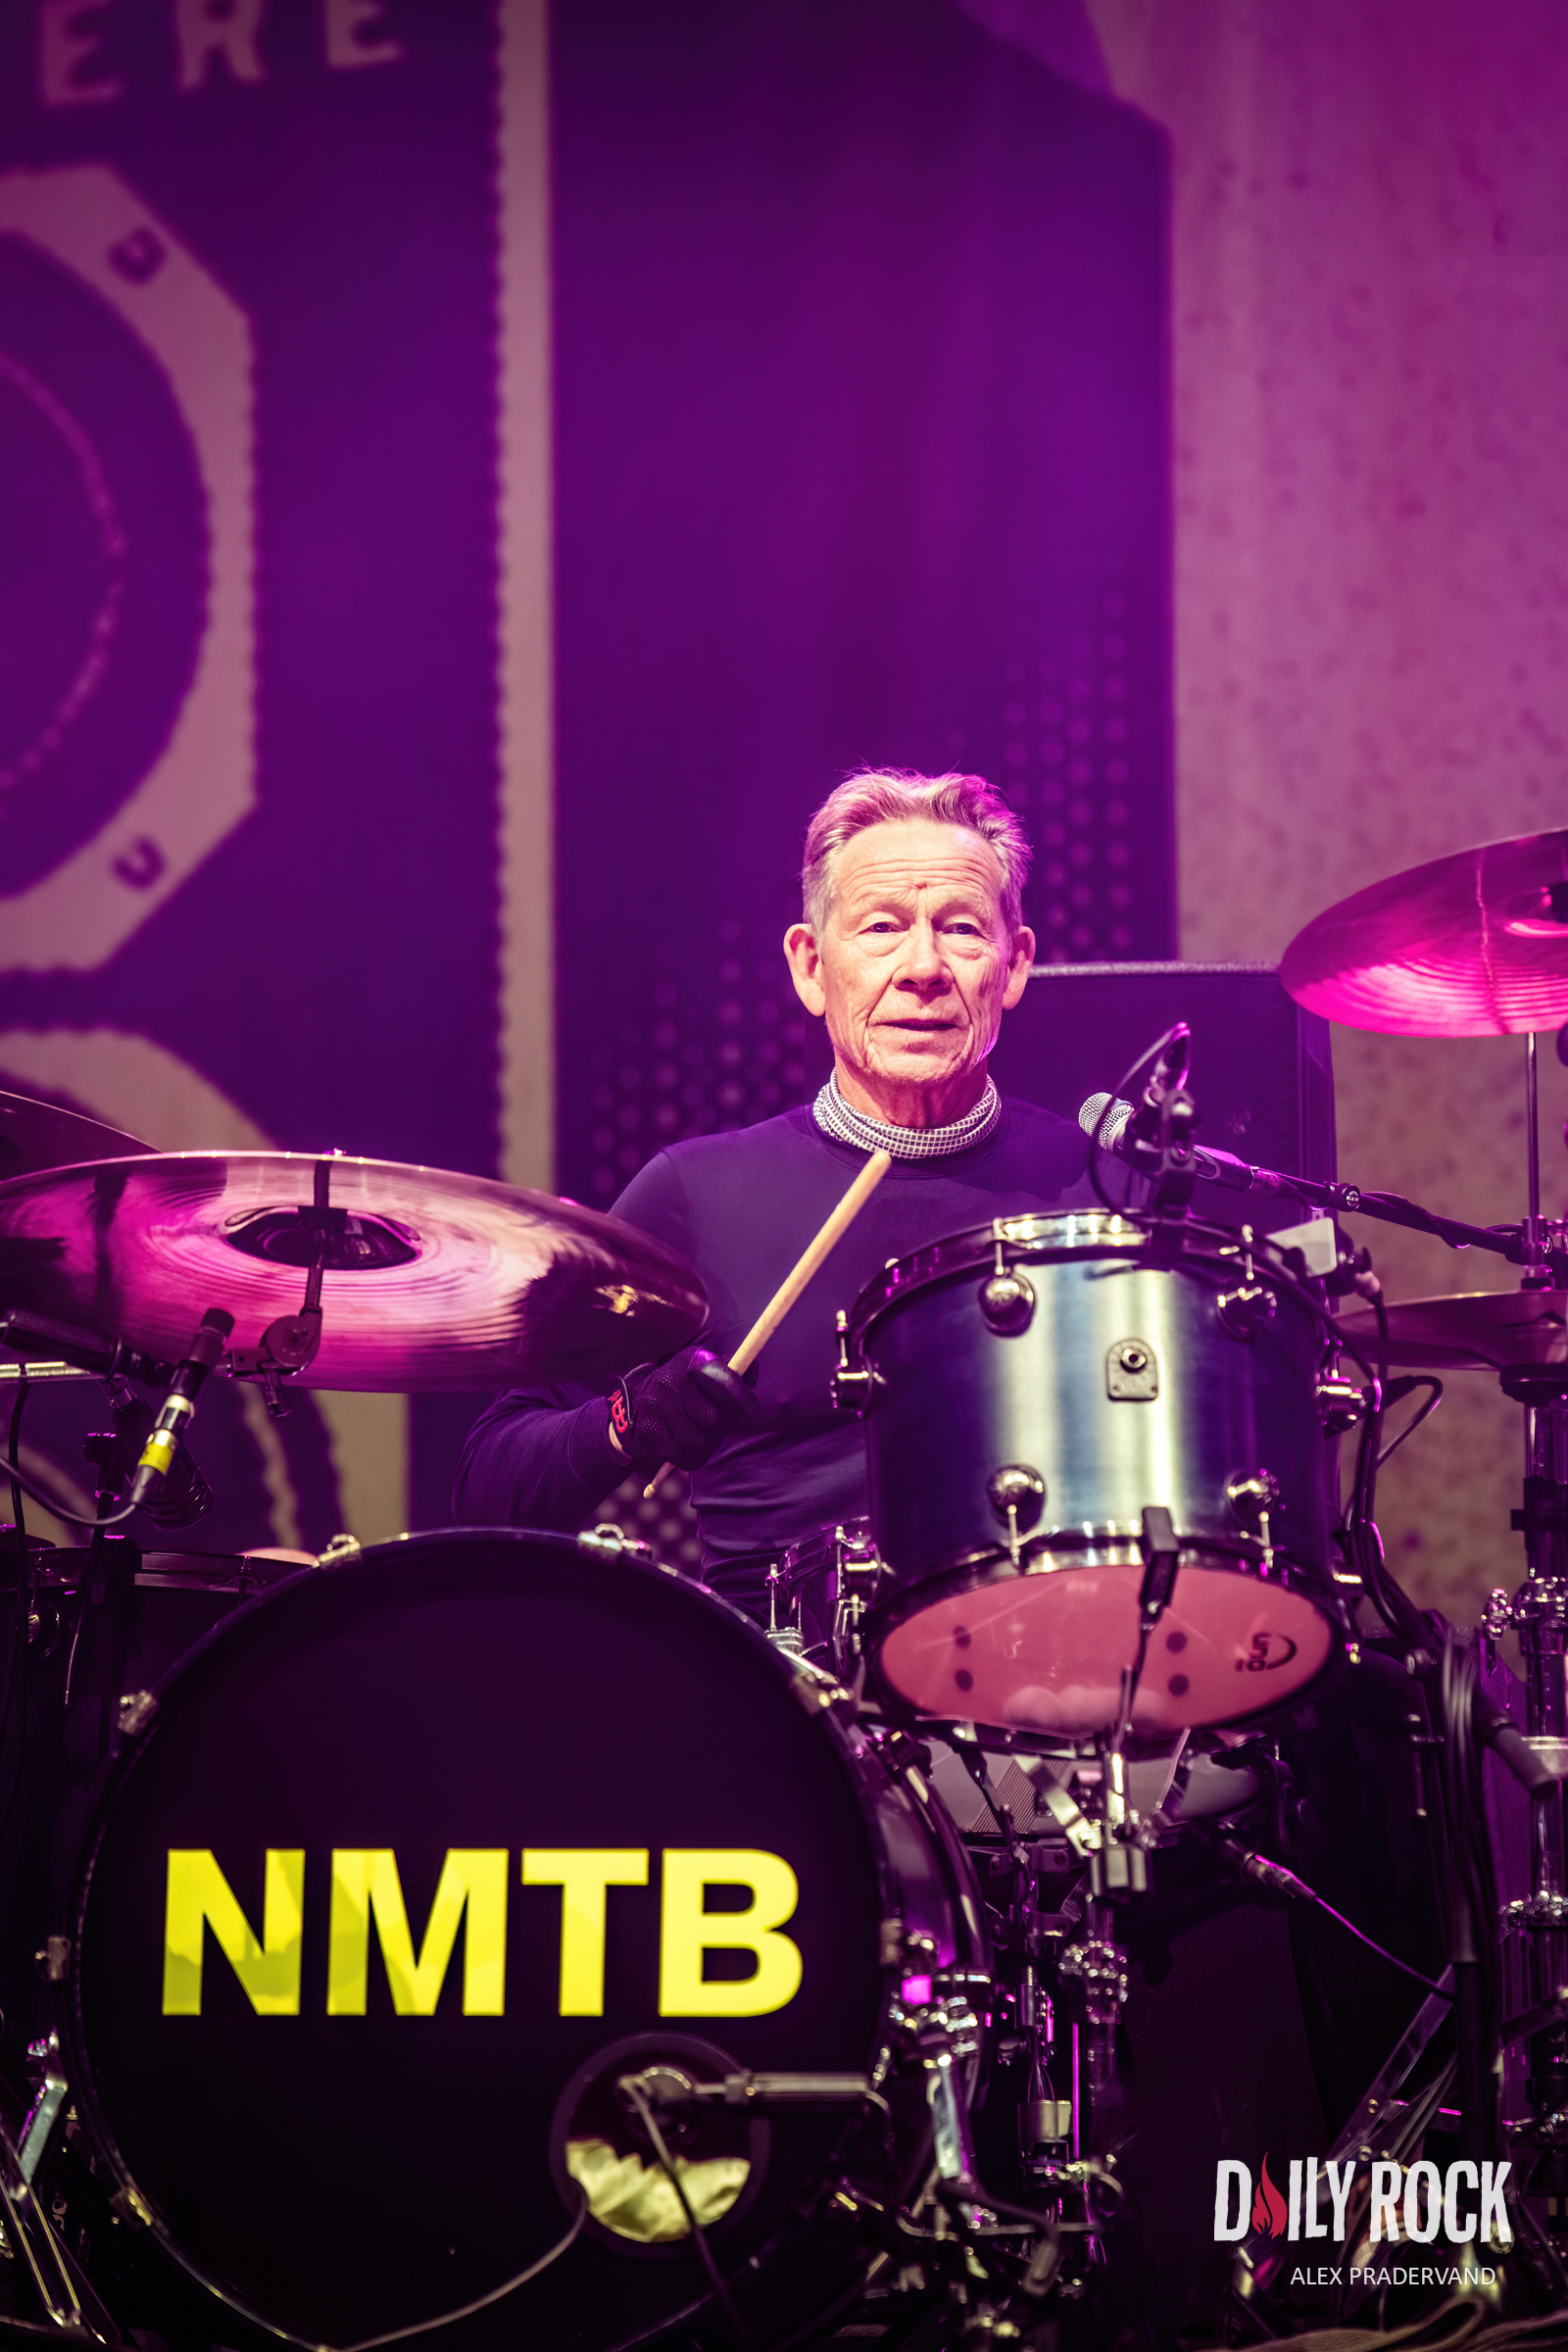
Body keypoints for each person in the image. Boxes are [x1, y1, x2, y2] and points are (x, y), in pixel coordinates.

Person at [454, 768, 1133, 1613]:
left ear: (1015, 963)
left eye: (960, 928)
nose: (923, 967)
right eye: (882, 928)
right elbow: (490, 1486)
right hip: (787, 1678)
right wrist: (628, 1421)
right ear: (812, 967)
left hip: (1066, 1651)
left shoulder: (1104, 1185)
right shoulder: (697, 1196)